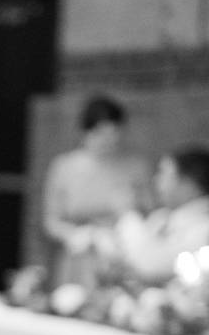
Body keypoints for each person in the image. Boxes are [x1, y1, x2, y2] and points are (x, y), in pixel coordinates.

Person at [42, 94, 152, 289]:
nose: (109, 141)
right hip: (79, 255)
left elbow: (150, 212)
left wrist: (130, 211)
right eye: (102, 133)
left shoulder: (135, 167)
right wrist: (78, 235)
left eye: (115, 133)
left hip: (121, 254)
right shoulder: (64, 167)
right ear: (86, 132)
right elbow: (51, 221)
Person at [105, 145, 209, 285]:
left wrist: (128, 213)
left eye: (164, 174)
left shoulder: (203, 228)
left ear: (189, 183)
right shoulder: (163, 218)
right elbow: (124, 254)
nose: (156, 181)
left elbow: (149, 264)